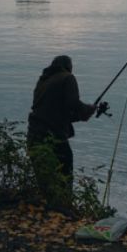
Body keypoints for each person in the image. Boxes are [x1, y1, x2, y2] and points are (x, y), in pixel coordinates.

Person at [26, 55, 106, 195]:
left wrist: (81, 116)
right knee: (65, 171)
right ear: (68, 67)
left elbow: (53, 111)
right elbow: (73, 104)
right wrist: (87, 110)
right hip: (53, 135)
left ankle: (47, 203)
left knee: (44, 176)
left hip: (34, 134)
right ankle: (63, 205)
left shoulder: (43, 81)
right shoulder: (67, 77)